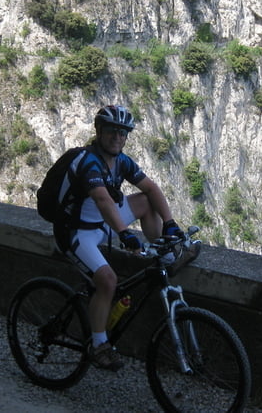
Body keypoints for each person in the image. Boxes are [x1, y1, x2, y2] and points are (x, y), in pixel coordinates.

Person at [53, 104, 183, 371]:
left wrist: (170, 224)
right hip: (76, 232)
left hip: (101, 223)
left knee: (146, 201)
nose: (118, 137)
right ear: (99, 131)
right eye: (112, 131)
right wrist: (125, 235)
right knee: (108, 281)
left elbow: (150, 188)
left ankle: (165, 252)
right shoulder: (88, 161)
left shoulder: (121, 160)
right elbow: (102, 199)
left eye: (123, 133)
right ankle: (99, 344)